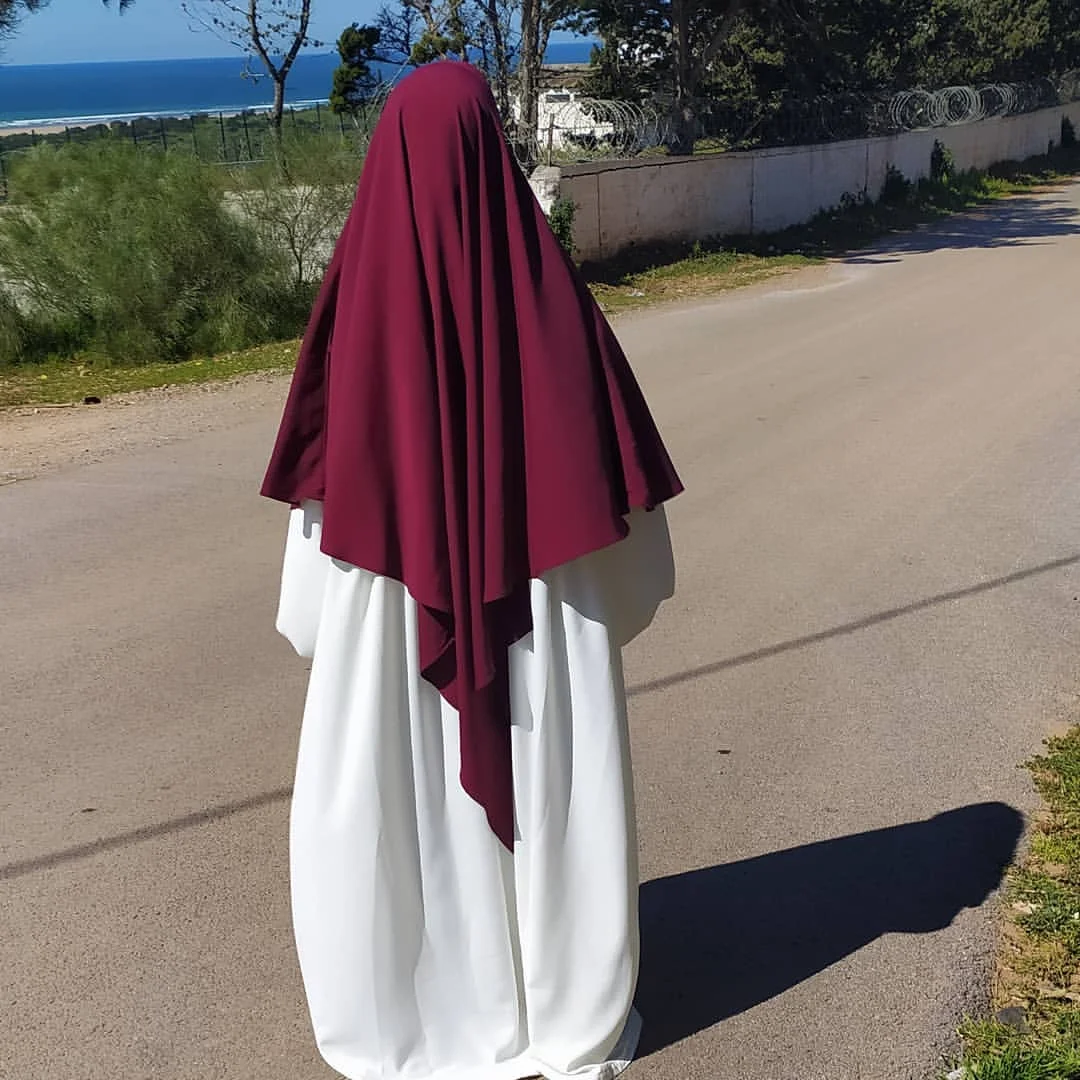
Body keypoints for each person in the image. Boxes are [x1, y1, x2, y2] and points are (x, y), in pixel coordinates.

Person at [262, 60, 682, 1080]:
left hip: (386, 606)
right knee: (548, 775)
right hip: (543, 606)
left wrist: (332, 615)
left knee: (389, 787)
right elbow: (630, 538)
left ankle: (413, 1009)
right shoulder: (553, 302)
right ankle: (558, 1006)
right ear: (492, 148)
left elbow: (319, 508)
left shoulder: (353, 306)